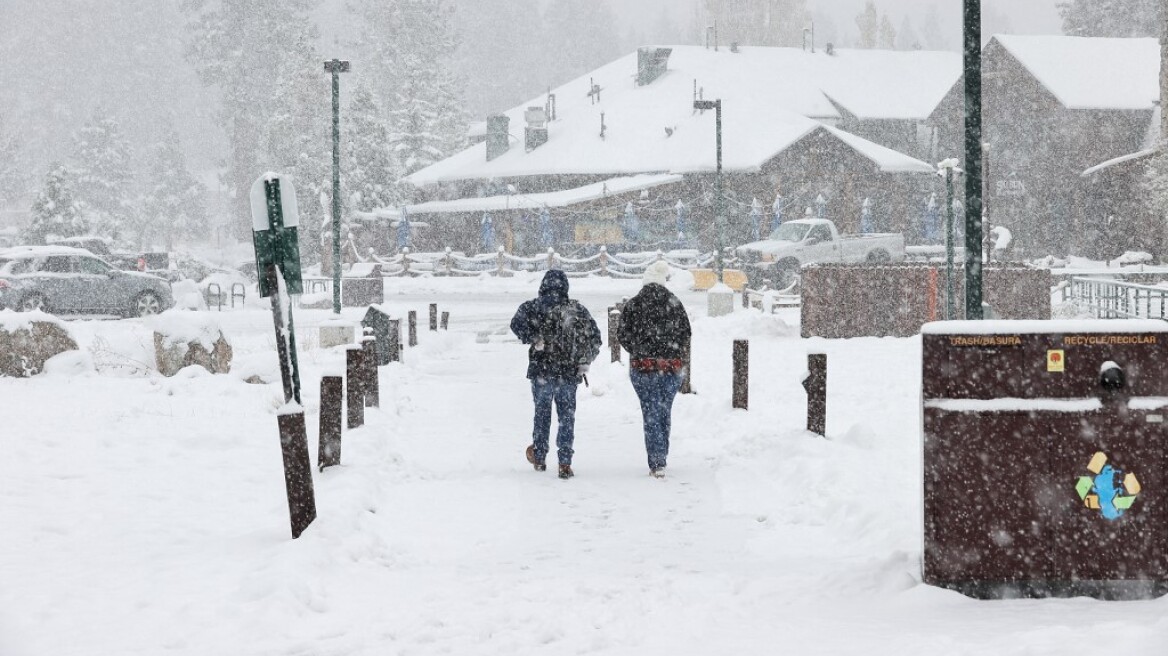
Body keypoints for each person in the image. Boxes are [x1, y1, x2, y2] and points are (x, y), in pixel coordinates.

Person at [510, 269, 602, 479]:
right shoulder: (576, 309)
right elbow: (595, 338)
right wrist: (584, 361)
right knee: (566, 418)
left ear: (543, 286)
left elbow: (515, 324)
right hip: (568, 373)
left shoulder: (533, 307)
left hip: (541, 370)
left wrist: (534, 338)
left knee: (542, 414)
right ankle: (565, 462)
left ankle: (540, 457)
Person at [619, 261, 692, 478]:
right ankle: (662, 454)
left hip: (643, 368)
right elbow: (686, 333)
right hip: (670, 368)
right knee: (663, 410)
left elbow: (622, 334)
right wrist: (672, 351)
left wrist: (639, 350)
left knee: (649, 411)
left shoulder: (634, 304)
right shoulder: (674, 302)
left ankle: (656, 459)